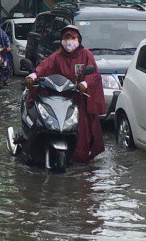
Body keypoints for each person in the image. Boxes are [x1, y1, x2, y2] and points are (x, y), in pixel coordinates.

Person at [24, 25, 106, 163]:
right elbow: (44, 66)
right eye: (66, 38)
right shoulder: (57, 56)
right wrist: (33, 75)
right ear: (62, 40)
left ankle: (80, 159)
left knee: (82, 130)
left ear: (78, 39)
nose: (69, 42)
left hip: (78, 99)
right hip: (60, 97)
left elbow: (93, 75)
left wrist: (84, 84)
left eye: (72, 38)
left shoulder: (86, 55)